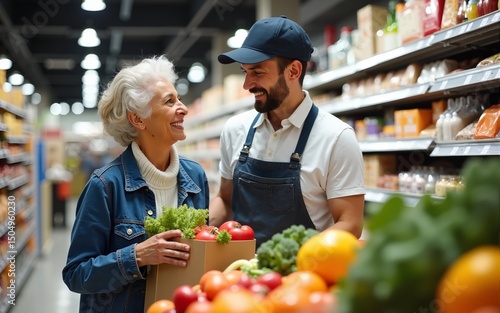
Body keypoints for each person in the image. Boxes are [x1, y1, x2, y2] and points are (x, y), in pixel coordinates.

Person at [62, 55, 210, 312]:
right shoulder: (106, 185)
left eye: (179, 98)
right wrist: (138, 256)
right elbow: (76, 274)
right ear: (138, 120)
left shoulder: (195, 177)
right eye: (169, 101)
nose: (183, 108)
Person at [210, 16, 365, 247]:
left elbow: (350, 223)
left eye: (258, 72)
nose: (247, 85)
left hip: (302, 275)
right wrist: (202, 230)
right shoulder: (235, 130)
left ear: (293, 71)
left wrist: (290, 259)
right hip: (239, 275)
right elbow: (225, 199)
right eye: (245, 72)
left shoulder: (336, 137)